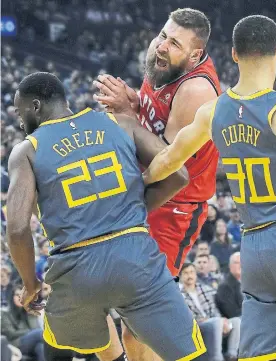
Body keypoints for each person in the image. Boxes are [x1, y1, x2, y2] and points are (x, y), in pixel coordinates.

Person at [6, 72, 207, 361]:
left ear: (35, 106)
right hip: (136, 258)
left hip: (77, 266)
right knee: (190, 353)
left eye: (20, 111)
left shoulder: (27, 150)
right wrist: (130, 213)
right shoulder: (120, 123)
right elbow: (178, 174)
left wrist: (30, 283)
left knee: (62, 343)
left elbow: (16, 230)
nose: (20, 121)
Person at [143, 15, 276, 361]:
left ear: (233, 54)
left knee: (262, 353)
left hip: (254, 248)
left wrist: (135, 186)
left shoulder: (213, 111)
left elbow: (167, 160)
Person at [95, 10, 221, 358]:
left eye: (174, 43)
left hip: (176, 205)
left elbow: (165, 160)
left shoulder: (196, 89)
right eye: (163, 35)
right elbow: (152, 110)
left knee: (141, 321)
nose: (162, 46)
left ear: (195, 55)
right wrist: (133, 100)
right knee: (119, 314)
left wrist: (127, 115)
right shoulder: (164, 61)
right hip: (147, 191)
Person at [180, 263, 240, 361]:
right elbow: (187, 318)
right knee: (216, 322)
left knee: (236, 321)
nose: (189, 275)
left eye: (191, 272)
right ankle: (216, 358)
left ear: (195, 274)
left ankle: (231, 355)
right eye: (186, 273)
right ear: (181, 277)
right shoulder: (180, 296)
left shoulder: (206, 289)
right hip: (198, 327)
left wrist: (222, 320)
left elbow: (215, 309)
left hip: (214, 322)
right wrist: (216, 320)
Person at [1, 285, 45, 361]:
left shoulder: (28, 312)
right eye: (17, 295)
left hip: (31, 342)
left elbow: (35, 327)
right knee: (40, 333)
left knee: (40, 347)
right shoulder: (5, 313)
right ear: (12, 297)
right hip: (15, 344)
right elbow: (11, 334)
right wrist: (29, 332)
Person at [216, 252, 242, 319]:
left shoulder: (249, 282)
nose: (241, 265)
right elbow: (233, 313)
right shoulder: (225, 286)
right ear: (230, 266)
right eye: (237, 263)